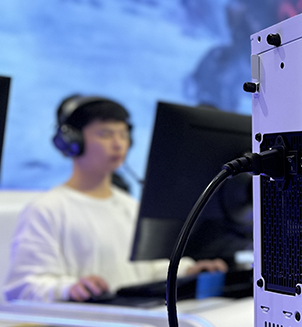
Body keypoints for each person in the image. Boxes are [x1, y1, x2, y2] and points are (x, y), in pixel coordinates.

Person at [3, 95, 224, 302]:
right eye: (105, 134)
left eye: (123, 135)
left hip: (135, 322)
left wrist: (188, 271)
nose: (118, 144)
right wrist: (69, 288)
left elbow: (151, 270)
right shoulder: (46, 209)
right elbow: (22, 287)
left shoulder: (131, 207)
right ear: (73, 141)